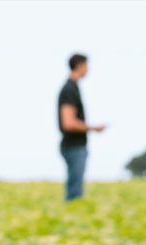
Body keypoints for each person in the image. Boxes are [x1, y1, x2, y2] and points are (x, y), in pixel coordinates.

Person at [57, 53, 106, 201]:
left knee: (75, 187)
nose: (88, 70)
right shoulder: (69, 89)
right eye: (87, 66)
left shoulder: (73, 88)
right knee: (74, 191)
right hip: (73, 146)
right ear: (79, 65)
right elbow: (68, 123)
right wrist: (93, 128)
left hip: (74, 145)